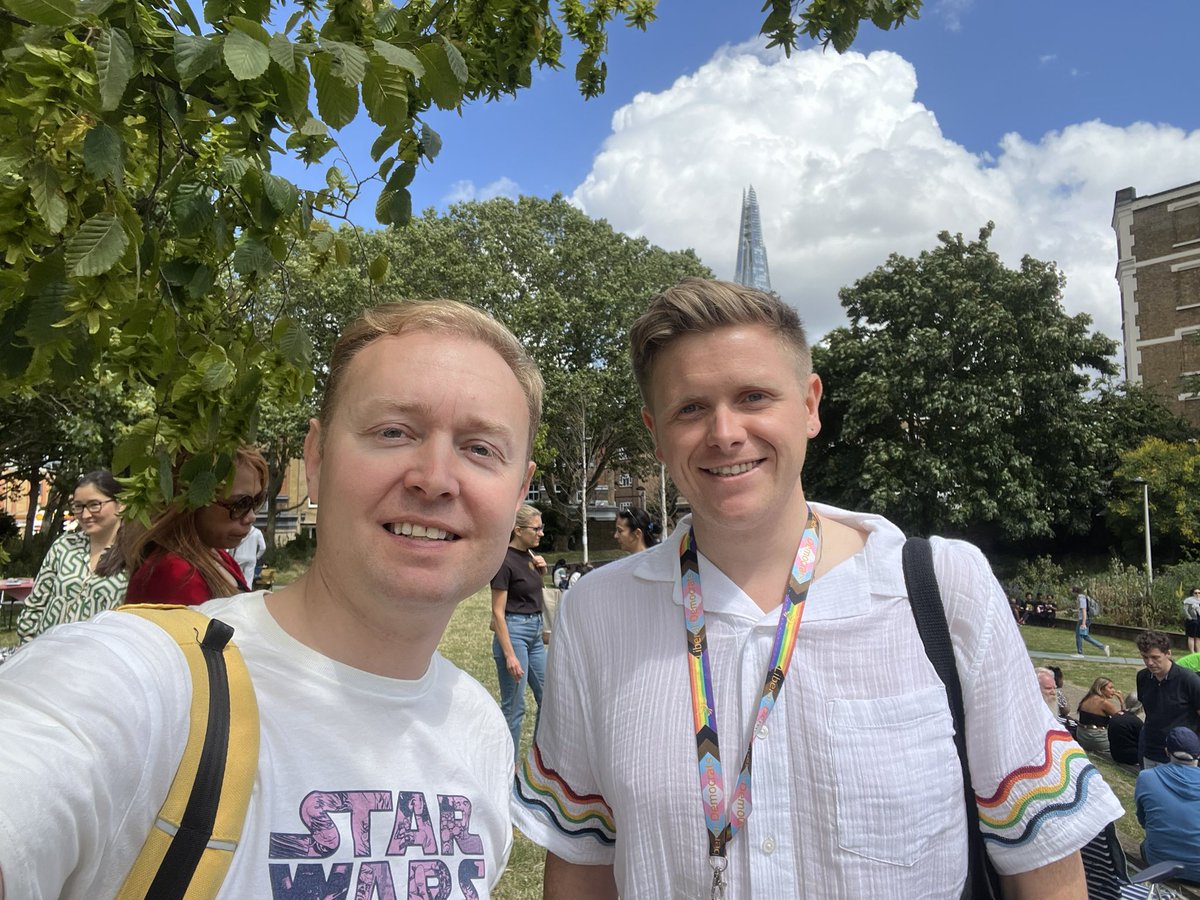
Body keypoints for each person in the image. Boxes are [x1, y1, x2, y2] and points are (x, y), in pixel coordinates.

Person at [513, 278, 1121, 899]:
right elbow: (582, 863)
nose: (724, 432)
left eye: (754, 396)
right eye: (690, 408)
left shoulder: (942, 589)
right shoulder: (597, 612)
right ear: (656, 432)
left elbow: (1043, 865)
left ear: (809, 404)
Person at [0, 298, 542, 897]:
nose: (435, 478)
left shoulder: (481, 732)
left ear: (518, 490)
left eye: (481, 449)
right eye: (393, 431)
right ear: (317, 455)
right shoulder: (140, 682)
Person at [122, 445, 268, 605]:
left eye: (257, 500)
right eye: (241, 504)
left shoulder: (217, 556)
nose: (251, 516)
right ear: (193, 501)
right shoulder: (173, 573)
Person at [16, 470, 128, 644]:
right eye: (78, 506)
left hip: (100, 661)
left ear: (120, 504)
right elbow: (36, 604)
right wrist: (28, 646)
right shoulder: (65, 546)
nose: (85, 515)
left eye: (94, 505)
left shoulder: (134, 552)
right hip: (47, 654)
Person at [491, 504, 548, 752]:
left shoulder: (530, 558)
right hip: (514, 632)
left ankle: (538, 759)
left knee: (548, 698)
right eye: (536, 528)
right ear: (518, 529)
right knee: (514, 707)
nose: (541, 533)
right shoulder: (504, 561)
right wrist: (510, 654)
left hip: (534, 633)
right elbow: (497, 612)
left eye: (541, 528)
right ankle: (508, 767)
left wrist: (541, 573)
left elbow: (528, 594)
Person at [1134, 727, 1200, 884]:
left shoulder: (1146, 778)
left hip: (1160, 864)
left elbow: (1143, 821)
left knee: (1147, 843)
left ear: (1166, 751)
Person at [1135, 629, 1200, 769]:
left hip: (1181, 756)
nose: (1150, 662)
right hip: (1151, 750)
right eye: (1145, 657)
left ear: (1168, 654)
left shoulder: (1189, 680)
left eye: (1155, 657)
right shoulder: (1142, 677)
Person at [1075, 677, 1124, 755]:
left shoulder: (1086, 699)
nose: (1113, 690)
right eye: (1110, 688)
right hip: (1097, 739)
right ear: (1101, 689)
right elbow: (1123, 720)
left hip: (1082, 737)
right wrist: (1122, 701)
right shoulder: (1104, 703)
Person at [1107, 694, 1144, 767]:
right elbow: (1143, 741)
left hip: (1115, 754)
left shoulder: (1116, 716)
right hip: (1131, 758)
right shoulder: (1136, 722)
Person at [1073, 584, 1109, 658]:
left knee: (1078, 636)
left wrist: (1083, 623)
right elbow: (1082, 610)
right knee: (1085, 636)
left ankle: (1080, 653)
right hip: (1086, 619)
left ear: (1075, 591)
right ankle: (1103, 647)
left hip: (1083, 620)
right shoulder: (1083, 597)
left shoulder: (1081, 598)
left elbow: (1084, 610)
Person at [232, 523, 267, 588]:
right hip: (251, 558)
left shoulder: (238, 530)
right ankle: (248, 593)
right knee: (249, 579)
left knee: (238, 578)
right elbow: (263, 547)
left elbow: (231, 545)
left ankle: (237, 592)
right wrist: (257, 556)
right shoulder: (257, 532)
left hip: (238, 557)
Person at [1184, 587, 1200, 654]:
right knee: (1191, 636)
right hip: (1192, 620)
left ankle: (1198, 652)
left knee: (1198, 637)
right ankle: (1192, 652)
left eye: (1199, 593)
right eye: (1195, 593)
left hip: (1199, 620)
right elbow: (1185, 610)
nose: (1197, 594)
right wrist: (1190, 618)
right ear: (1192, 593)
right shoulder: (1188, 600)